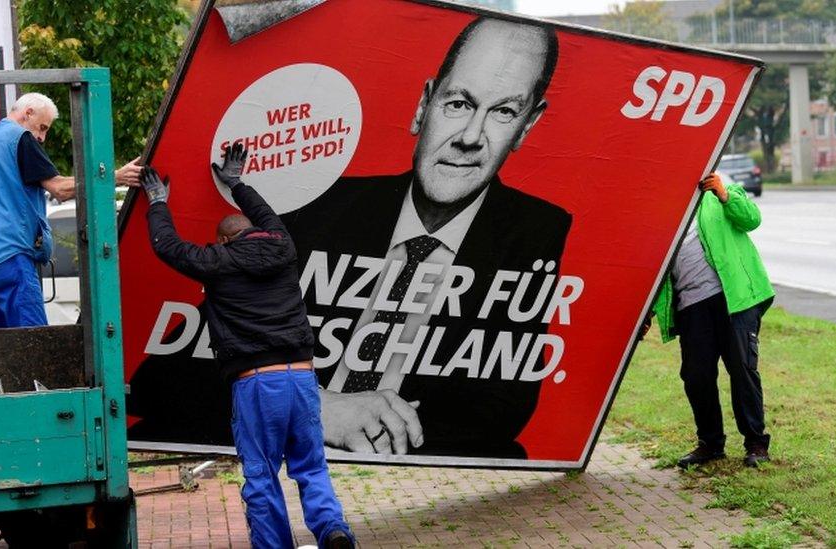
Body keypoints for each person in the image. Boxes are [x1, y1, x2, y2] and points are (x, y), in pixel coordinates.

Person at [280, 16, 571, 458]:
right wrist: (313, 407)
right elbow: (180, 368)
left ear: (527, 126)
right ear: (424, 105)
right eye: (458, 103)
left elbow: (500, 409)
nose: (471, 137)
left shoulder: (536, 231)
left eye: (504, 112)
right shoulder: (318, 204)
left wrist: (384, 435)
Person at [139, 144, 355, 549]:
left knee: (260, 472)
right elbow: (265, 215)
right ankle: (332, 529)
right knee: (311, 465)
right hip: (303, 378)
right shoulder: (283, 245)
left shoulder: (216, 262)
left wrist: (157, 202)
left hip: (258, 383)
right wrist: (237, 183)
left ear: (223, 239)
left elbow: (167, 246)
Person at [0, 92, 141, 328]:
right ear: (27, 113)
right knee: (34, 342)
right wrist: (115, 177)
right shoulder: (20, 139)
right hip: (10, 255)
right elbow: (59, 189)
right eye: (42, 127)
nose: (41, 137)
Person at [647, 173, 774, 468]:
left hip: (733, 300)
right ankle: (710, 444)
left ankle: (755, 442)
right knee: (696, 375)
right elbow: (652, 270)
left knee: (742, 369)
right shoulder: (661, 212)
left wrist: (724, 195)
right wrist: (649, 312)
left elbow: (751, 219)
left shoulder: (716, 191)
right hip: (691, 306)